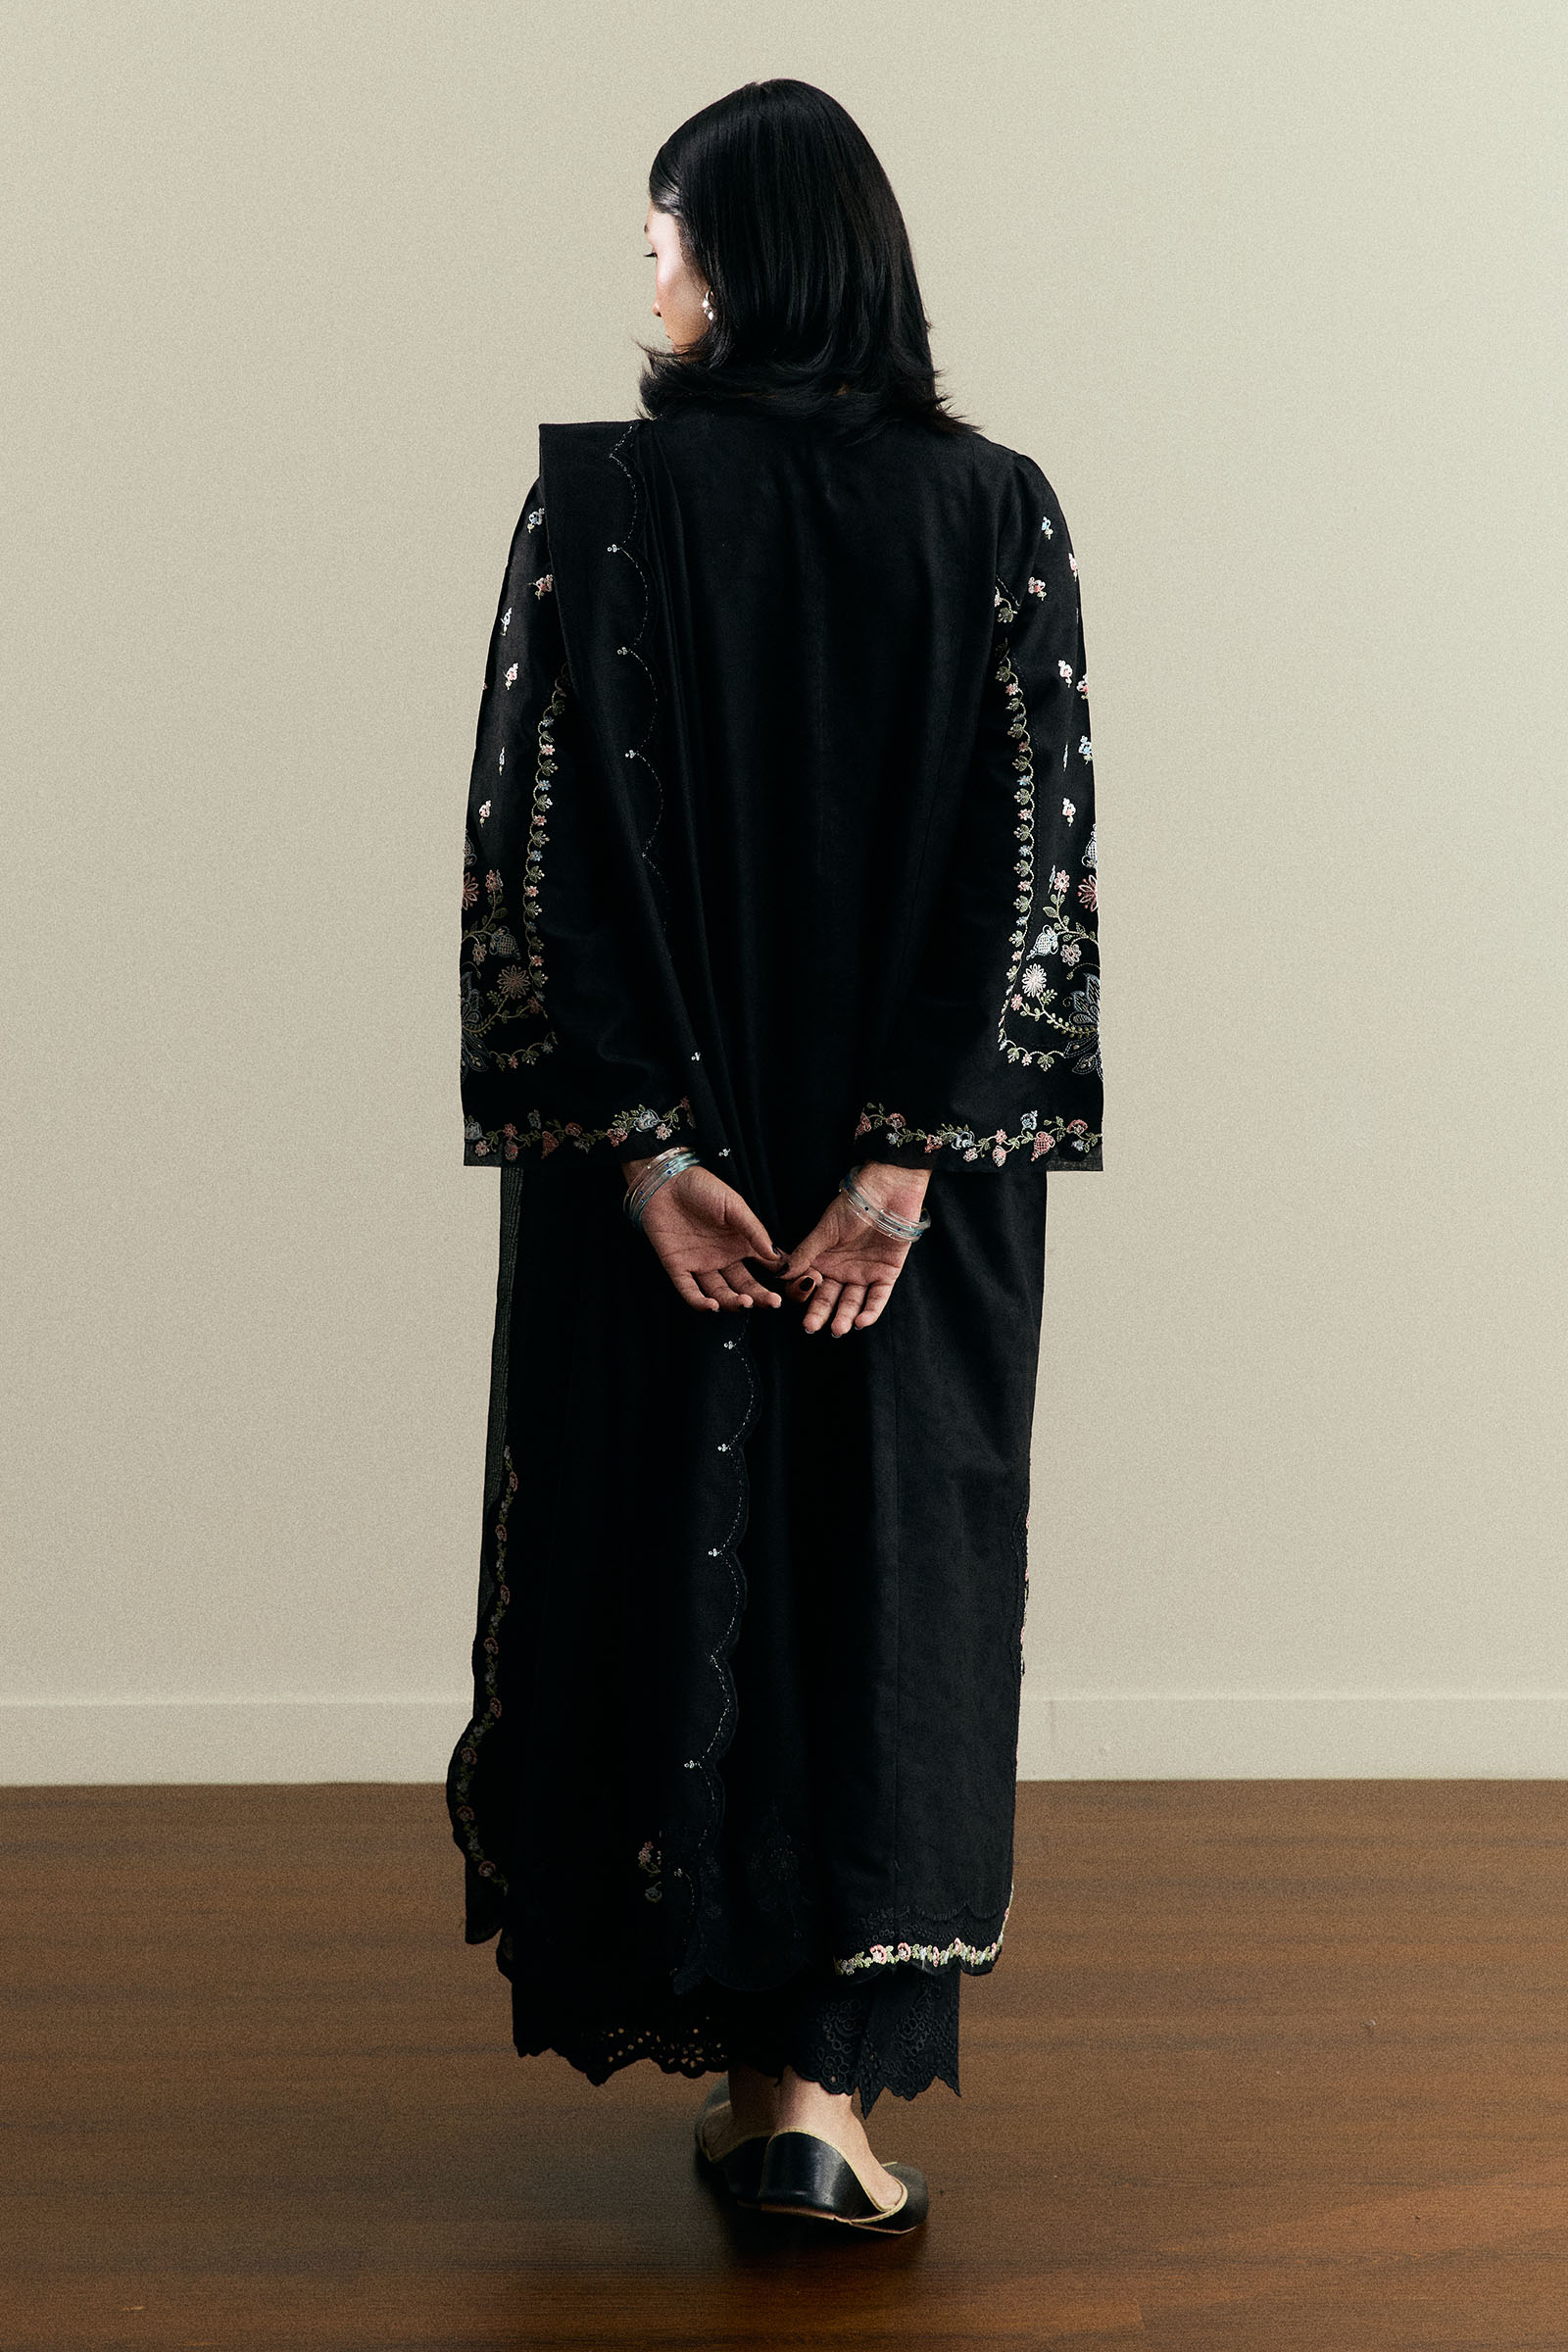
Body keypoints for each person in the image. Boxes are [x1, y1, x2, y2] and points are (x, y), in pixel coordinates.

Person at [448, 77, 1102, 2235]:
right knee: (886, 1567)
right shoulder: (993, 511)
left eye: (662, 237)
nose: (645, 276)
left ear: (739, 259)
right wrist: (903, 1170)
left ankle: (759, 2091)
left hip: (666, 1192)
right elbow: (1032, 868)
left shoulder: (600, 507)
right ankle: (816, 2108)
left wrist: (644, 1152)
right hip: (910, 1199)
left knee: (660, 1543)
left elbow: (534, 858)